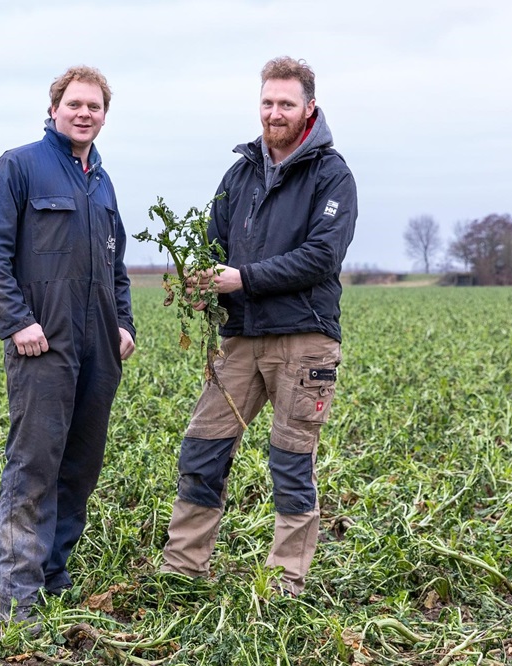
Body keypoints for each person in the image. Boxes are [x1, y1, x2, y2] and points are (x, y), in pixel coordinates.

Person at [160, 56, 357, 597]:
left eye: (286, 104)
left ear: (308, 108)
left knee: (291, 459)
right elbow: (213, 242)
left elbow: (321, 256)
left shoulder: (331, 174)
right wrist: (199, 279)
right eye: (268, 102)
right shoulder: (241, 170)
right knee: (203, 448)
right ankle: (182, 569)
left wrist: (239, 278)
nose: (275, 113)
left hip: (305, 337)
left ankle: (283, 584)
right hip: (240, 336)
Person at [0, 65, 136, 624]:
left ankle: (53, 577)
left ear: (104, 116)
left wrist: (125, 324)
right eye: (75, 104)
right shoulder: (19, 166)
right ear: (54, 109)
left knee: (80, 466)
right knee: (35, 465)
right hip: (42, 346)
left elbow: (115, 267)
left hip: (97, 348)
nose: (84, 113)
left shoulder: (102, 182)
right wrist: (17, 321)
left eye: (94, 106)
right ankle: (16, 600)